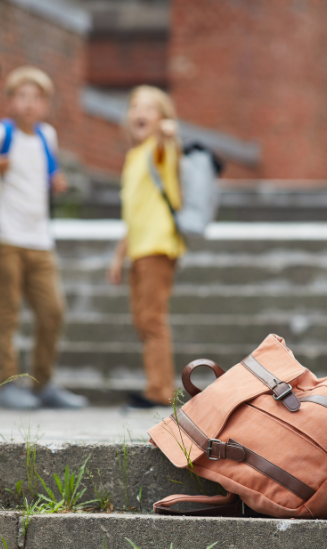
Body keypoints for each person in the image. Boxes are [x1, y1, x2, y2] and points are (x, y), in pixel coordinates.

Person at [0, 66, 88, 410]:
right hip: (6, 239)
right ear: (11, 101)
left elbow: (46, 173)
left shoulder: (48, 135)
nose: (29, 104)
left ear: (45, 104)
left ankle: (43, 383)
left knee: (52, 312)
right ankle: (7, 384)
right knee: (7, 313)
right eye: (22, 96)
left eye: (37, 97)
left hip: (41, 240)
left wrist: (56, 181)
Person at [107, 85, 184, 409]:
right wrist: (119, 255)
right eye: (134, 106)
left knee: (152, 319)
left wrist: (168, 132)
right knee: (143, 320)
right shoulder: (134, 155)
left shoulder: (158, 149)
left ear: (162, 117)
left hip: (157, 245)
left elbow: (170, 143)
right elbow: (134, 212)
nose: (140, 112)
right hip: (138, 248)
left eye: (149, 108)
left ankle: (159, 390)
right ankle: (157, 385)